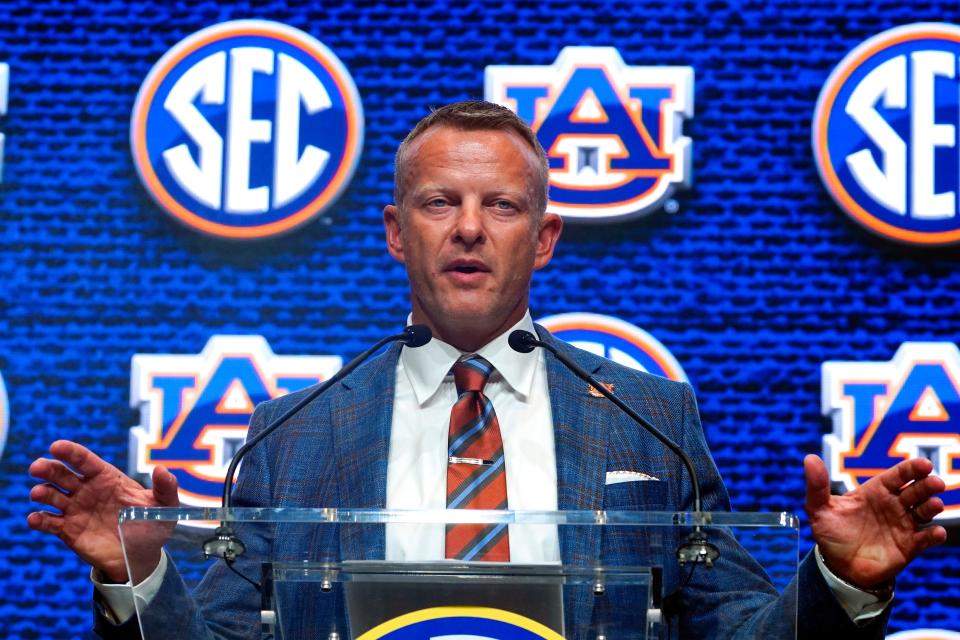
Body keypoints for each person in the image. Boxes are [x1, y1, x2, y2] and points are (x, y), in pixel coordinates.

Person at [28, 101, 947, 639]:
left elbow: (735, 630)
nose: (469, 228)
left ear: (543, 238)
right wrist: (141, 580)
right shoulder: (291, 430)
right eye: (440, 203)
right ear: (396, 233)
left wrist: (843, 582)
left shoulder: (648, 415)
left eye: (501, 205)